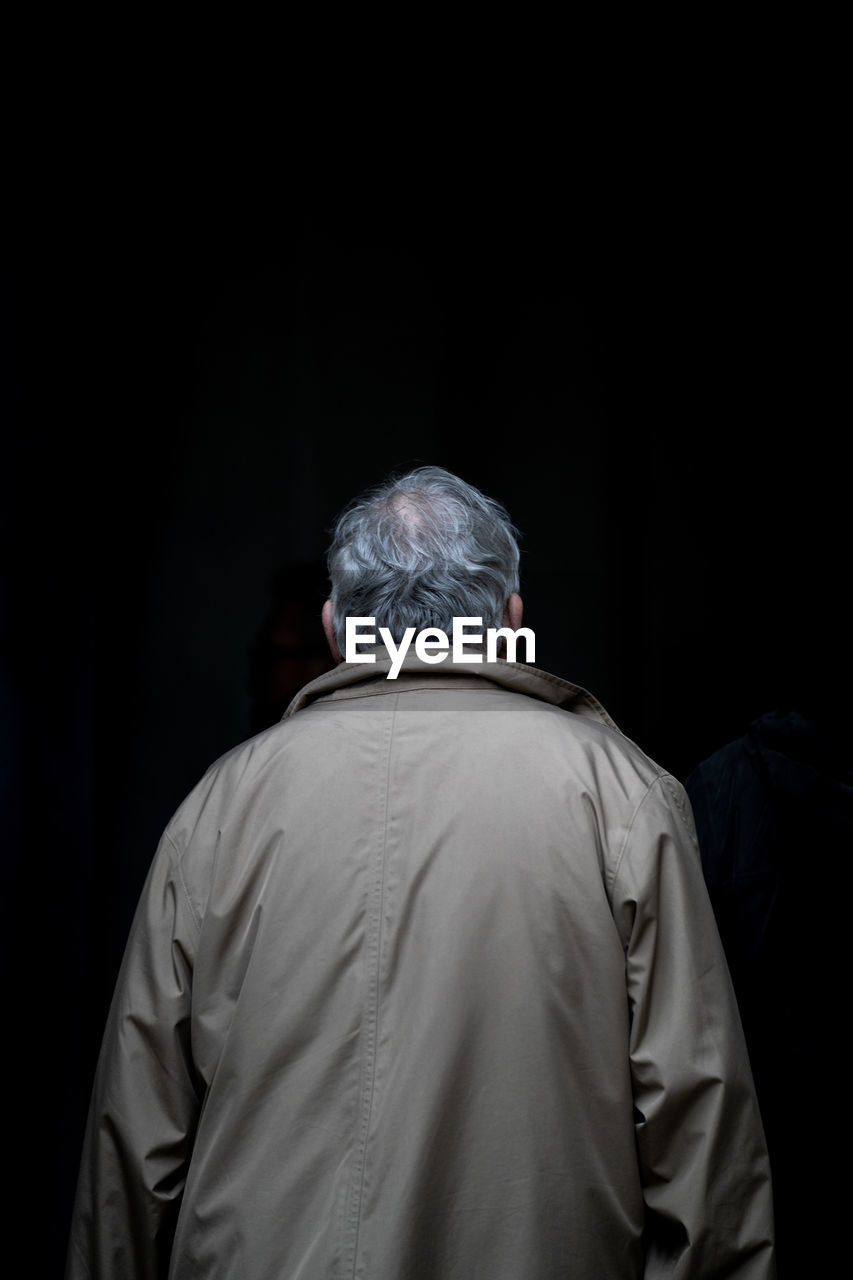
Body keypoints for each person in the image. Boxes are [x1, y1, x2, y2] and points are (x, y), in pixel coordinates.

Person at [66, 465, 775, 1279]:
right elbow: (699, 1128)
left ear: (335, 629)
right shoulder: (621, 795)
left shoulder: (220, 806)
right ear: (510, 616)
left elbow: (135, 1134)